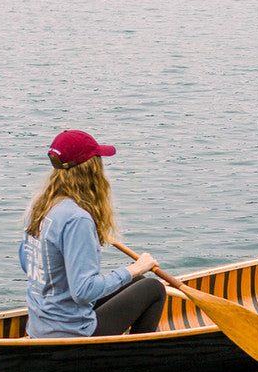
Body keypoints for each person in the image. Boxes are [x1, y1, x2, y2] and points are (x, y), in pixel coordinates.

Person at [20, 129, 165, 339]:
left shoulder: (38, 205)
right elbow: (83, 292)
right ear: (92, 169)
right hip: (71, 333)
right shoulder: (77, 219)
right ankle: (134, 354)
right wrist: (134, 268)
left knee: (137, 281)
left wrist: (133, 274)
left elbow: (27, 263)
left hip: (40, 325)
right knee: (153, 288)